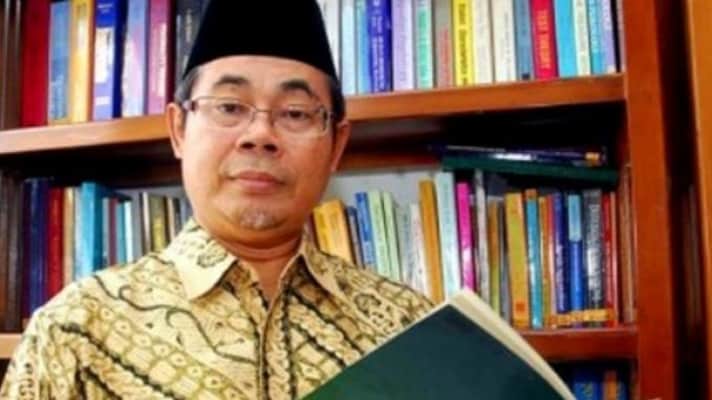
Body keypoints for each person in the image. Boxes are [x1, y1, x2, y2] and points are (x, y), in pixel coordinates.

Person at [0, 1, 433, 398]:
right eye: (229, 107)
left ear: (337, 144)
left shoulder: (410, 330)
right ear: (178, 129)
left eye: (295, 113)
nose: (260, 135)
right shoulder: (76, 331)